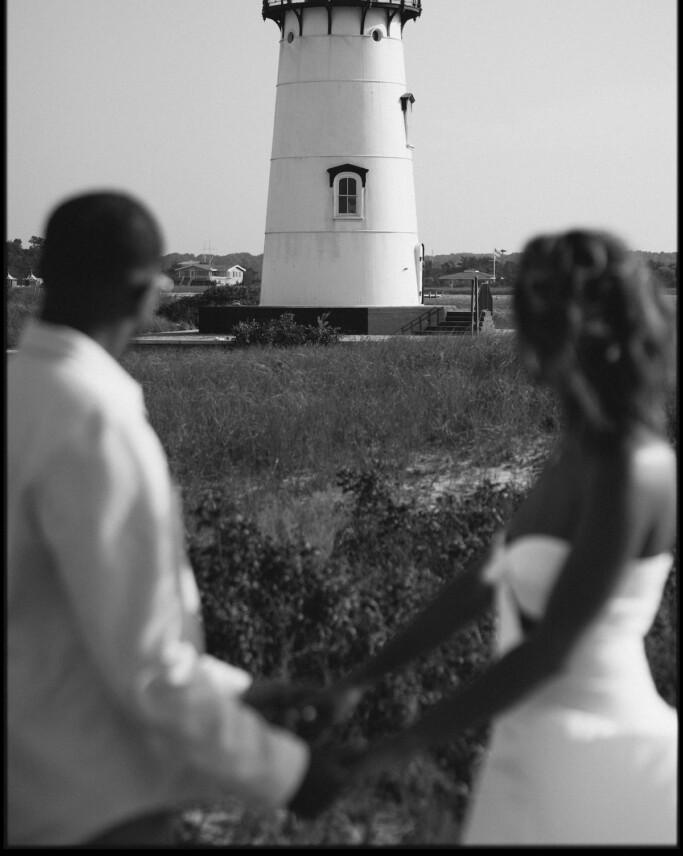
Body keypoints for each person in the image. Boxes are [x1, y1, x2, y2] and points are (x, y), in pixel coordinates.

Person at [248, 229, 678, 844]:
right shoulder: (577, 450)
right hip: (526, 743)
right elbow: (480, 581)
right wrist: (356, 683)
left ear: (558, 337)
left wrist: (393, 750)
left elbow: (552, 646)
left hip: (602, 753)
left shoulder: (632, 468)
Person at [7, 191, 332, 846]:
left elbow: (61, 611)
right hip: (99, 802)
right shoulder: (95, 420)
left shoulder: (22, 395)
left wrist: (240, 689)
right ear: (142, 291)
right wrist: (290, 773)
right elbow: (148, 663)